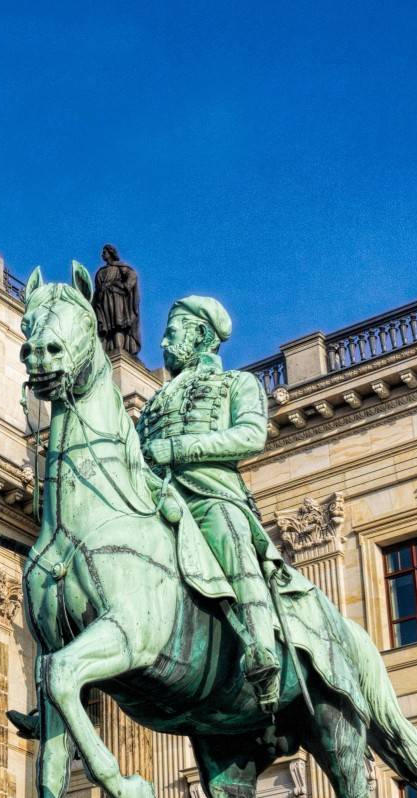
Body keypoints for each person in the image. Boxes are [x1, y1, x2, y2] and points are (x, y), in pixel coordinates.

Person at [135, 296, 285, 711]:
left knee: (228, 535)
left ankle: (261, 649)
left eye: (173, 330)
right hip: (155, 499)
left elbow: (250, 437)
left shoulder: (237, 384)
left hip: (209, 492)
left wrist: (178, 449)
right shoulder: (153, 404)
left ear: (201, 335)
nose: (163, 341)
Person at [93, 245, 141, 357]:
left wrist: (124, 286)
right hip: (103, 301)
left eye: (104, 252)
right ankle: (107, 351)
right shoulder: (100, 272)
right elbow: (97, 289)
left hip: (117, 299)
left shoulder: (120, 267)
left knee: (117, 325)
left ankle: (120, 349)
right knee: (106, 328)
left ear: (110, 253)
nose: (102, 254)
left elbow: (132, 276)